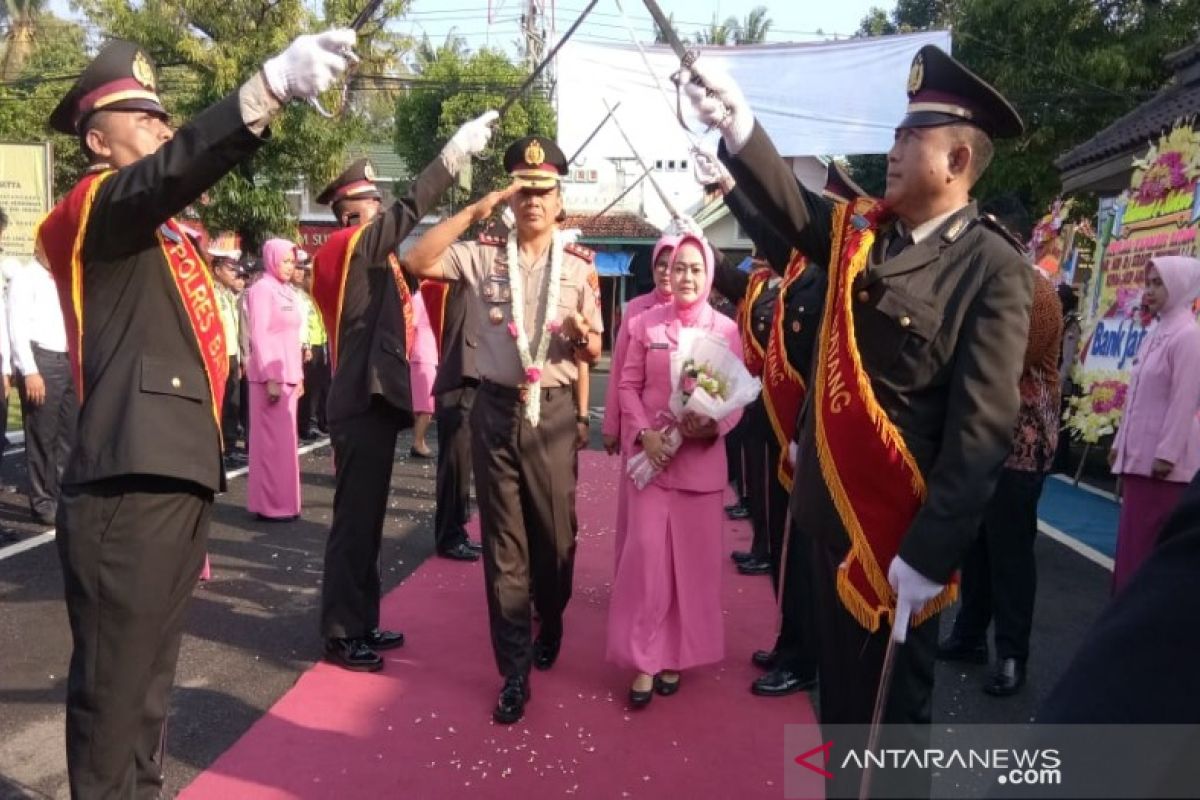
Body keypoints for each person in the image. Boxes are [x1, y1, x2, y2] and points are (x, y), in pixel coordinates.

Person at [684, 44, 1032, 797]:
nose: (894, 149)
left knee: (889, 730)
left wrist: (930, 555)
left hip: (894, 541)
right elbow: (794, 213)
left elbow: (980, 434)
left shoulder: (992, 271)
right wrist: (739, 124)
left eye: (913, 137)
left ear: (959, 157)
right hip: (829, 514)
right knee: (840, 716)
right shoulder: (863, 236)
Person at [37, 32, 351, 797]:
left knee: (149, 685)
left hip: (172, 467)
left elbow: (173, 180)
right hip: (128, 475)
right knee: (115, 692)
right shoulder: (93, 209)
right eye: (143, 120)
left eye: (162, 118)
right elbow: (167, 176)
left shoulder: (164, 233)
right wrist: (266, 87)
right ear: (97, 138)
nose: (161, 130)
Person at [402, 135, 603, 724]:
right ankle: (513, 671)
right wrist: (475, 209)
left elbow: (594, 346)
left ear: (560, 198)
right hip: (494, 408)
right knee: (503, 545)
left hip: (556, 410)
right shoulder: (484, 254)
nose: (532, 201)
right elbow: (416, 261)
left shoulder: (579, 267)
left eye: (542, 191)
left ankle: (554, 613)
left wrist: (580, 334)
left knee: (556, 538)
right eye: (522, 191)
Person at [311, 117, 496, 673]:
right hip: (359, 403)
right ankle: (342, 634)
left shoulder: (369, 259)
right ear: (353, 213)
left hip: (371, 403)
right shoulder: (347, 247)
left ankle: (362, 620)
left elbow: (413, 271)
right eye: (374, 204)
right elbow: (411, 210)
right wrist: (452, 157)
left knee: (366, 521)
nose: (384, 210)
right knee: (353, 524)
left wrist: (466, 217)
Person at [607, 233, 743, 706]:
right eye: (678, 267)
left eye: (695, 269)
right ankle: (643, 659)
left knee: (691, 568)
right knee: (646, 562)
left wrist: (709, 426)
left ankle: (674, 657)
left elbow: (736, 401)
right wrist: (642, 433)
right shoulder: (645, 323)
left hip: (699, 466)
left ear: (708, 276)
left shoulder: (725, 330)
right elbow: (626, 385)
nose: (685, 276)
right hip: (652, 462)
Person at [938, 267, 1062, 696]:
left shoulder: (1040, 295)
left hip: (1023, 442)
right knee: (976, 544)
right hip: (982, 437)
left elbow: (1004, 363)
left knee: (1010, 550)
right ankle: (969, 636)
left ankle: (1012, 654)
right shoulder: (986, 283)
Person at [1108, 256, 1200, 594]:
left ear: (1179, 285)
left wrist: (1167, 454)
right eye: (1148, 283)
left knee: (1145, 552)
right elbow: (1135, 396)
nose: (1150, 291)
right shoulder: (1157, 332)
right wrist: (1120, 443)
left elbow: (1184, 401)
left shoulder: (1188, 336)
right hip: (1141, 461)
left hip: (1162, 469)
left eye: (1158, 283)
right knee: (1132, 548)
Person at [601, 233, 677, 563]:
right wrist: (612, 425)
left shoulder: (696, 312)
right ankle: (630, 577)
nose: (666, 272)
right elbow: (620, 371)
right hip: (639, 426)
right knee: (636, 511)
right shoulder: (636, 308)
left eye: (673, 265)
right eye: (661, 265)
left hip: (681, 429)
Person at [10, 236, 77, 526]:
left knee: (68, 434)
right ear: (39, 245)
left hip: (67, 358)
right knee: (42, 435)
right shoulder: (25, 278)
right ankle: (43, 502)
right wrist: (29, 370)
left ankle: (64, 495)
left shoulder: (65, 276)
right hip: (42, 360)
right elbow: (17, 328)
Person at [421, 275, 484, 561]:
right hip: (460, 383)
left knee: (463, 467)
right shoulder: (459, 287)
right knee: (455, 468)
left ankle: (458, 530)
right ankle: (450, 535)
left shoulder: (467, 287)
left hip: (468, 383)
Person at [245, 238, 305, 521]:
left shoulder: (288, 292)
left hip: (290, 375)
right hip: (270, 377)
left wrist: (300, 376)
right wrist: (270, 376)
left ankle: (286, 502)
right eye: (284, 260)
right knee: (270, 446)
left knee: (286, 447)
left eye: (292, 261)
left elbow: (293, 338)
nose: (289, 266)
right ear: (270, 259)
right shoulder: (261, 290)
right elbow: (259, 335)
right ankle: (270, 505)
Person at [208, 232, 245, 467]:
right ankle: (217, 448)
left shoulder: (229, 295)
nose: (236, 273)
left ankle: (230, 447)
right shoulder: (209, 292)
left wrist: (240, 359)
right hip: (217, 355)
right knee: (219, 404)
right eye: (231, 268)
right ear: (218, 269)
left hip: (232, 355)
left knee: (233, 403)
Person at [408, 288, 438, 458]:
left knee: (423, 404)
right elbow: (410, 325)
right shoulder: (419, 299)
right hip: (422, 353)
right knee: (427, 404)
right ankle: (418, 442)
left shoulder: (428, 297)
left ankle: (419, 440)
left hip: (429, 353)